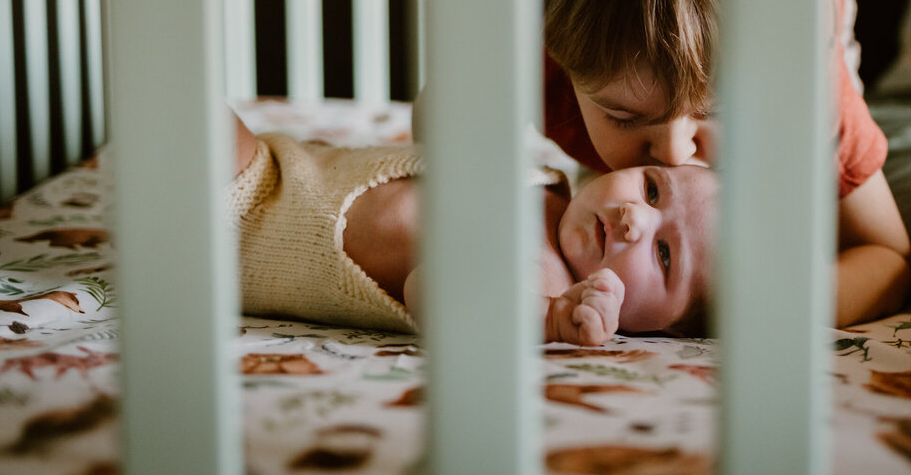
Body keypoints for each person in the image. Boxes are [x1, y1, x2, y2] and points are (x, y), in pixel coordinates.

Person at [539, 0, 911, 328]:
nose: (674, 153)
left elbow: (887, 255)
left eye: (714, 113)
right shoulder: (549, 62)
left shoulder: (806, 103)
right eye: (624, 116)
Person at [231, 114, 717, 346]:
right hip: (276, 160)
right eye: (652, 190)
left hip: (243, 221)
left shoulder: (546, 286)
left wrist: (548, 319)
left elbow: (431, 291)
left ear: (669, 325)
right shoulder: (552, 184)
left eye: (665, 254)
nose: (635, 217)